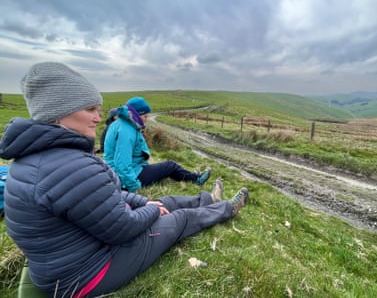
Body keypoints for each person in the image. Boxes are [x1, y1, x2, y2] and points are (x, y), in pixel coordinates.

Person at [0, 62, 249, 298]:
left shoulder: (42, 158)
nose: (98, 118)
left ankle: (208, 200)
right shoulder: (69, 165)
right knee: (178, 218)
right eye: (90, 109)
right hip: (86, 274)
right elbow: (123, 229)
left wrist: (143, 202)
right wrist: (150, 210)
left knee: (163, 202)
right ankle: (227, 209)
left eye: (97, 109)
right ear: (59, 112)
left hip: (70, 262)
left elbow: (102, 196)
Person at [103, 96, 211, 192]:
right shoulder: (127, 131)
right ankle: (196, 180)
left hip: (122, 172)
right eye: (145, 116)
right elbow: (122, 164)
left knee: (164, 168)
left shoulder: (120, 123)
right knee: (170, 165)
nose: (147, 119)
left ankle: (191, 175)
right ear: (136, 114)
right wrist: (134, 186)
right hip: (128, 177)